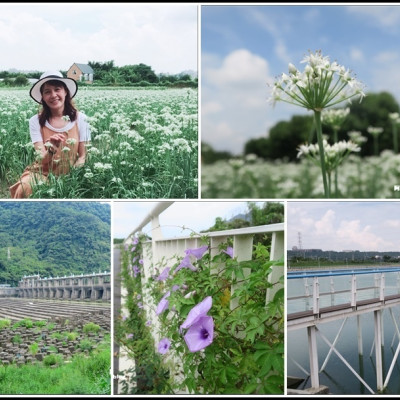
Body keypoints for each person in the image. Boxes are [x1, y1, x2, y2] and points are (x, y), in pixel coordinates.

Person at [9, 71, 91, 198]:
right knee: (25, 187)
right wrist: (51, 149)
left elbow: (82, 157)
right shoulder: (35, 121)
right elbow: (41, 159)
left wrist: (71, 178)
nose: (53, 95)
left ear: (65, 92)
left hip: (71, 174)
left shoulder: (82, 119)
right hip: (42, 173)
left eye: (57, 89)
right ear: (42, 97)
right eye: (47, 91)